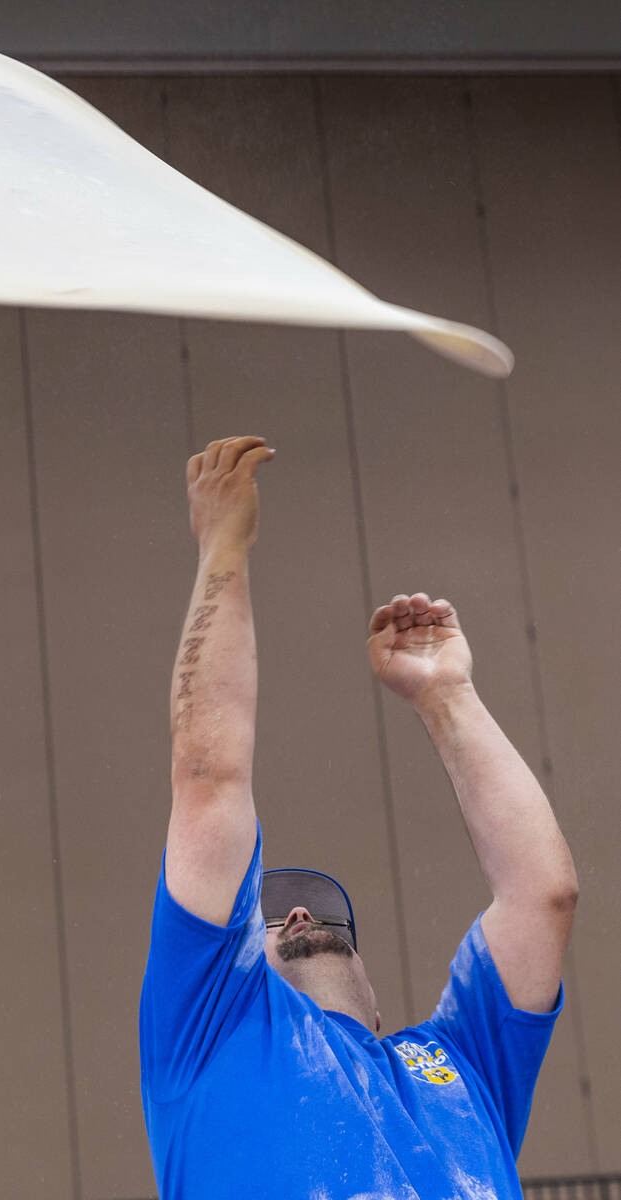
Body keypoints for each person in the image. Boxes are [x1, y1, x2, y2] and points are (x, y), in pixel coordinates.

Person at [140, 435, 579, 1200]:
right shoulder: (209, 1030)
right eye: (268, 916)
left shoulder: (461, 1063)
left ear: (379, 1002)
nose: (299, 908)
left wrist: (446, 695)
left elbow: (541, 896)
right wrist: (222, 546)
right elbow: (208, 780)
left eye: (309, 903)